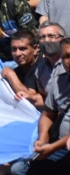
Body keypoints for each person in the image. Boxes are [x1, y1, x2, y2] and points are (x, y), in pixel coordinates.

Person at [26, 38, 70, 175]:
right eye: (66, 56)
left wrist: (52, 148)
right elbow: (48, 113)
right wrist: (43, 139)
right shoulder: (59, 81)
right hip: (57, 145)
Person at [1, 31, 43, 109]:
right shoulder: (19, 69)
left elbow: (27, 97)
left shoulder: (42, 67)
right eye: (14, 49)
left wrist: (10, 75)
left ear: (35, 49)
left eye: (22, 49)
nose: (17, 54)